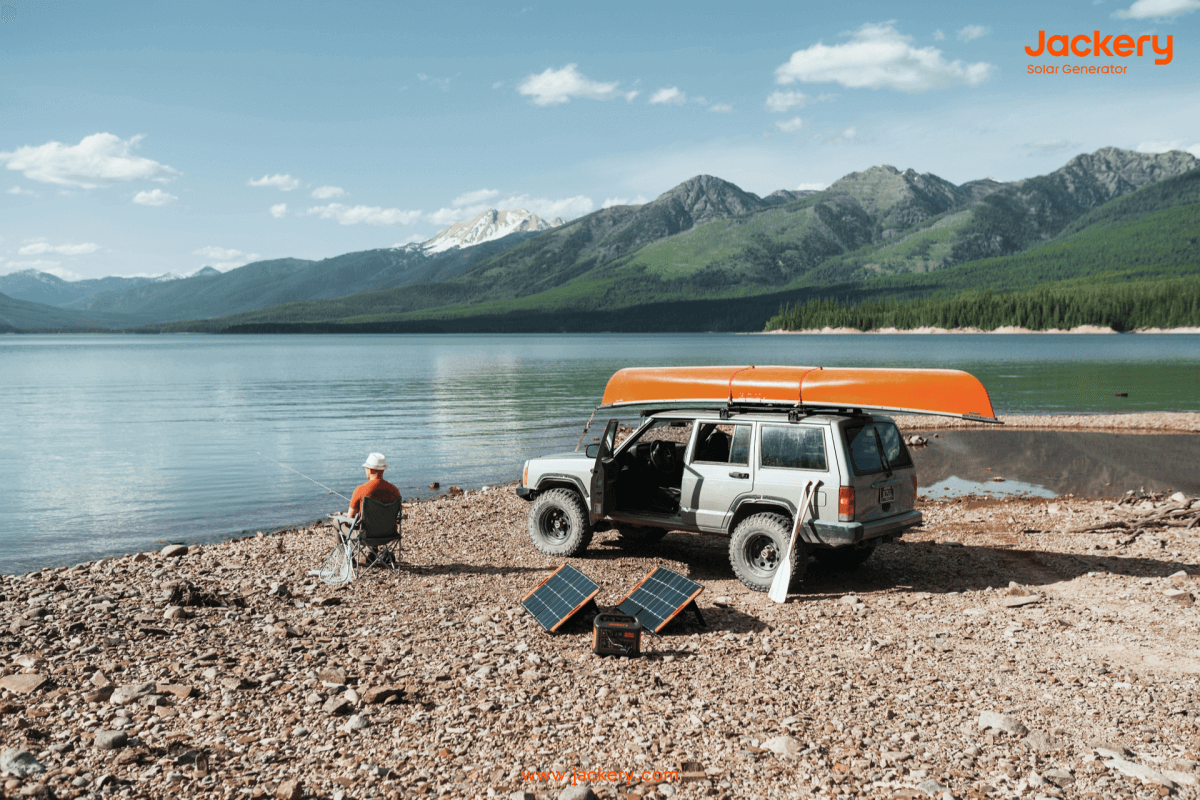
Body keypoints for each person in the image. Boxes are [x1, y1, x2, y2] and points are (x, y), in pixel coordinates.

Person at [334, 452, 401, 562]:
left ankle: (346, 558)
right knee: (374, 519)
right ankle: (371, 554)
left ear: (370, 470)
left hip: (366, 536)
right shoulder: (395, 491)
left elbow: (350, 518)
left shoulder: (361, 489)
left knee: (336, 520)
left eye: (366, 468)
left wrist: (341, 516)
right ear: (383, 470)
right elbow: (396, 514)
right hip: (389, 534)